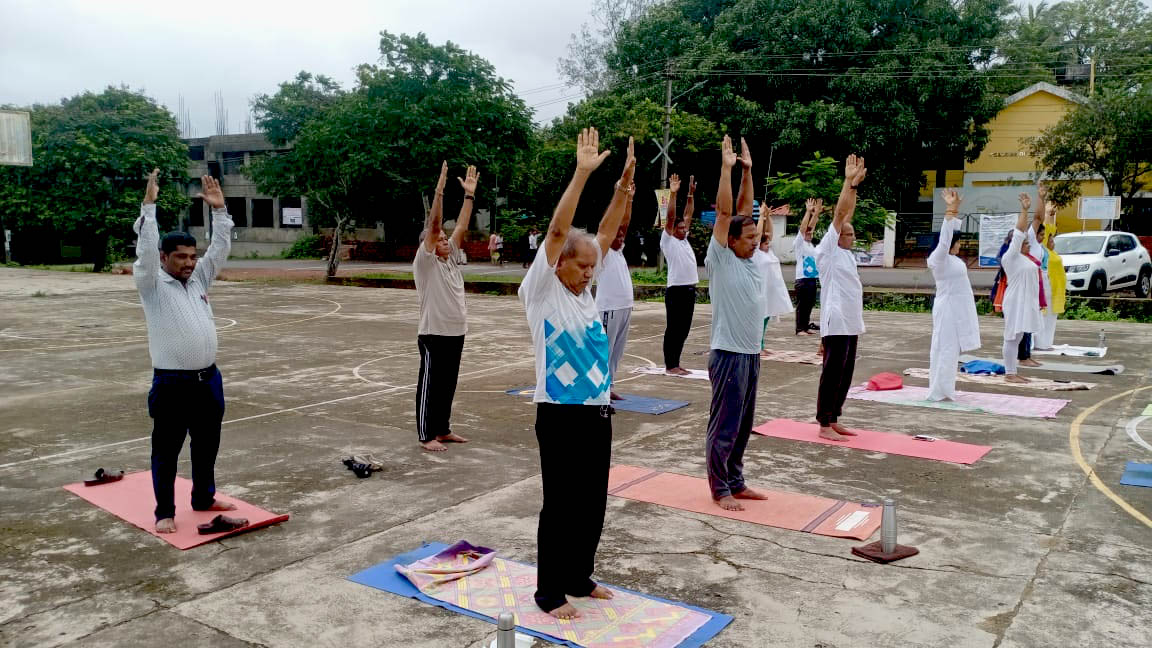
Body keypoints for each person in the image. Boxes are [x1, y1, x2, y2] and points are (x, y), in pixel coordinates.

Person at [518, 129, 635, 619]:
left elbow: (604, 235)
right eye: (582, 266)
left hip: (595, 411)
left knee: (590, 503)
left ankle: (579, 578)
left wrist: (623, 190)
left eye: (593, 267)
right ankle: (550, 593)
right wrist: (582, 174)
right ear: (559, 263)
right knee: (562, 506)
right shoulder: (542, 292)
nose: (590, 273)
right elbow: (556, 232)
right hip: (560, 414)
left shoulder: (586, 295)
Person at [134, 169, 241, 534]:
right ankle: (165, 510)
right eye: (181, 257)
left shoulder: (199, 279)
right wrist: (149, 208)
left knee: (207, 444)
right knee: (166, 450)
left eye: (192, 256)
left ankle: (203, 496)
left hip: (208, 380)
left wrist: (220, 211)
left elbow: (221, 248)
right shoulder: (151, 284)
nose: (189, 262)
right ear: (165, 257)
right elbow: (145, 253)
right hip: (171, 384)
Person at [705, 136, 770, 511]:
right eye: (748, 239)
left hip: (750, 353)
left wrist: (748, 172)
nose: (754, 243)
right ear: (728, 241)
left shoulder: (747, 260)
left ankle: (736, 480)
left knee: (743, 426)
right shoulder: (722, 257)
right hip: (728, 353)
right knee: (725, 426)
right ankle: (720, 488)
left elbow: (744, 211)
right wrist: (727, 169)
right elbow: (729, 215)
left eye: (756, 238)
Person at [413, 162, 479, 452]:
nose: (445, 241)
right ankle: (426, 434)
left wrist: (469, 196)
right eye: (439, 240)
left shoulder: (450, 258)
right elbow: (436, 225)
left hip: (456, 332)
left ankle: (442, 429)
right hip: (433, 334)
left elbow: (461, 226)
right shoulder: (425, 263)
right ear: (428, 244)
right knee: (429, 384)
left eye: (444, 240)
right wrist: (439, 191)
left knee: (447, 385)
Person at [814, 155, 868, 441]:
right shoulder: (829, 250)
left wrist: (855, 188)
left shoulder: (845, 254)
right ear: (837, 237)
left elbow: (846, 216)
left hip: (851, 321)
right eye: (848, 233)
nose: (851, 234)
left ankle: (834, 416)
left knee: (846, 373)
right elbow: (839, 216)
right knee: (832, 372)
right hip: (835, 321)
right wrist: (847, 182)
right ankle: (823, 422)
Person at [926, 189, 980, 401]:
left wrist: (956, 210)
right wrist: (950, 210)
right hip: (947, 310)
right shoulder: (938, 259)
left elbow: (950, 235)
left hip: (958, 309)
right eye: (957, 241)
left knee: (952, 351)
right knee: (944, 349)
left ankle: (946, 388)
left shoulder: (955, 260)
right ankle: (938, 390)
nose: (959, 244)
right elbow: (945, 239)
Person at [594, 181, 636, 401]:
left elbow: (625, 223)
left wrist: (629, 199)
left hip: (624, 307)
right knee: (605, 350)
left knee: (617, 352)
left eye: (622, 236)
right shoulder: (601, 251)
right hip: (609, 309)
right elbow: (614, 223)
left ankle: (609, 385)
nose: (621, 238)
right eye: (617, 235)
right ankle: (600, 387)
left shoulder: (618, 251)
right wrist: (619, 195)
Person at [1001, 193, 1045, 384]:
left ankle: (1013, 371)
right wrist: (1024, 210)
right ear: (1016, 244)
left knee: (1018, 337)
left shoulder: (1027, 258)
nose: (1028, 245)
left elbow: (1037, 221)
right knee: (1011, 337)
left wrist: (1040, 200)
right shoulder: (1011, 257)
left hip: (1026, 302)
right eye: (1025, 243)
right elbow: (1020, 231)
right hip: (1014, 302)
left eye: (1028, 242)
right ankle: (1010, 373)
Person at [659, 173, 698, 375]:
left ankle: (677, 362)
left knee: (684, 330)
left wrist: (690, 195)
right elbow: (672, 217)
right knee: (673, 329)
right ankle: (670, 365)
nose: (684, 229)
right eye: (680, 228)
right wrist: (673, 194)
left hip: (690, 289)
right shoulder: (668, 240)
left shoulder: (683, 240)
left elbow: (688, 214)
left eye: (685, 228)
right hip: (676, 291)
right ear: (672, 230)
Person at [753, 203, 794, 354]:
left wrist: (768, 216)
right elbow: (758, 236)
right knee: (758, 320)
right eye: (765, 243)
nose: (768, 244)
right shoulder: (756, 253)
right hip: (760, 291)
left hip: (769, 292)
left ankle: (761, 345)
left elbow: (770, 232)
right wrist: (761, 217)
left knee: (765, 319)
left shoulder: (768, 252)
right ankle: (758, 346)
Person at [792, 197, 823, 336]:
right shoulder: (800, 244)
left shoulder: (811, 246)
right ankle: (799, 329)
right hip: (802, 280)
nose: (810, 233)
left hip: (811, 279)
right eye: (807, 233)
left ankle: (805, 327)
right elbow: (804, 228)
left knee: (809, 305)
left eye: (811, 233)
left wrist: (816, 214)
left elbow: (811, 227)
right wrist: (808, 212)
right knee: (802, 306)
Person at [1037, 201, 1066, 348]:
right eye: (1050, 238)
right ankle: (1039, 343)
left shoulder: (1053, 253)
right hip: (1045, 288)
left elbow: (1052, 228)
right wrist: (1047, 214)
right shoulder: (1042, 250)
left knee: (1051, 318)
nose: (1053, 240)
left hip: (1055, 291)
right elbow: (1048, 229)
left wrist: (1053, 215)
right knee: (1043, 317)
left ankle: (1047, 344)